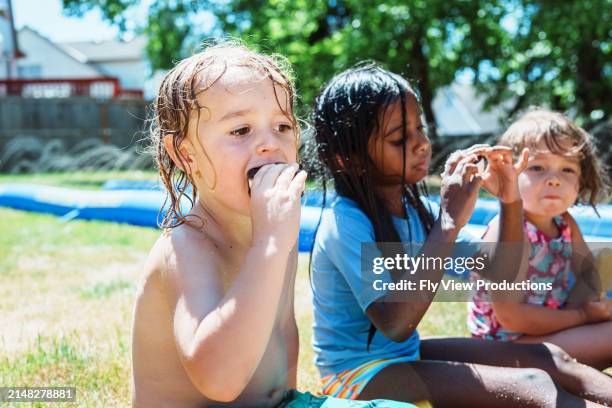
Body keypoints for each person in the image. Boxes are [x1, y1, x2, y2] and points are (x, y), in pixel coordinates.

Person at [310, 63, 612, 407]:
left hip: (405, 357)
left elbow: (503, 273)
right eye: (399, 138)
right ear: (348, 157)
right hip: (356, 376)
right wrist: (448, 224)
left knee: (551, 359)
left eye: (420, 129)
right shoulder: (346, 222)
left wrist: (510, 199)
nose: (422, 144)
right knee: (532, 386)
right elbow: (395, 324)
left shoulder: (413, 213)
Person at [131, 43, 413, 408]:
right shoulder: (186, 247)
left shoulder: (277, 229)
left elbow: (282, 338)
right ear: (185, 155)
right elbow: (219, 381)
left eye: (282, 126)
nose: (269, 143)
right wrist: (269, 245)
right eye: (241, 130)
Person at [468, 109, 612, 370]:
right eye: (537, 167)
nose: (554, 180)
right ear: (508, 173)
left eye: (567, 168)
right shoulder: (508, 230)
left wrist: (593, 306)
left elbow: (587, 277)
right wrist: (581, 317)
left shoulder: (565, 224)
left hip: (543, 335)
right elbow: (511, 317)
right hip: (502, 350)